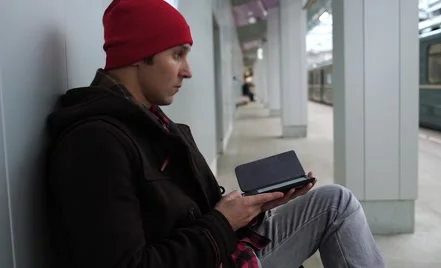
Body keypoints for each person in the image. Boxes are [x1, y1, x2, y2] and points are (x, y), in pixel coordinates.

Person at [45, 0, 385, 267]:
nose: (187, 71)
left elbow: (197, 211)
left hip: (220, 246)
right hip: (216, 254)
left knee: (334, 200)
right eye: (177, 54)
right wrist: (223, 221)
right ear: (138, 54)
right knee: (338, 206)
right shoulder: (96, 144)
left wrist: (254, 207)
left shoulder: (154, 125)